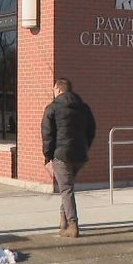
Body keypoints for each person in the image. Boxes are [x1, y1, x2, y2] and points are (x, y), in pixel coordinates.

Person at [41, 77, 96, 238]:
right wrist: (85, 147)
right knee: (68, 187)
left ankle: (73, 225)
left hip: (61, 155)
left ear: (58, 90)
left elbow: (47, 134)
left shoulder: (52, 108)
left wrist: (47, 157)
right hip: (79, 155)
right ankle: (63, 221)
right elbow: (91, 130)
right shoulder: (83, 107)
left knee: (66, 189)